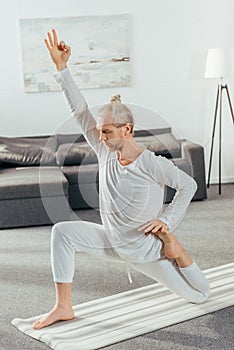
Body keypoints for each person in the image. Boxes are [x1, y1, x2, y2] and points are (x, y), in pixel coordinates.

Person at [32, 29, 209, 330]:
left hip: (146, 250)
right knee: (62, 232)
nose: (99, 137)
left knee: (199, 296)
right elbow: (79, 111)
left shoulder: (151, 163)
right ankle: (63, 306)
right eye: (100, 131)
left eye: (107, 131)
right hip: (112, 240)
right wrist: (62, 68)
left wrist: (168, 221)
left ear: (127, 129)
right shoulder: (104, 151)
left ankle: (176, 249)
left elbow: (188, 185)